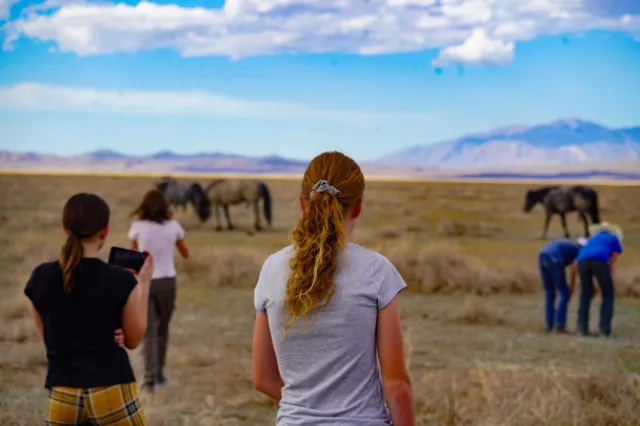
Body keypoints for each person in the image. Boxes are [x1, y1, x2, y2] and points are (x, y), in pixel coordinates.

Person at [251, 151, 415, 426]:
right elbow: (396, 386)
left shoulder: (272, 269)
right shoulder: (377, 270)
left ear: (303, 204)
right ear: (358, 207)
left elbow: (262, 379)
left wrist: (308, 409)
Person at [24, 193, 153, 425]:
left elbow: (49, 335)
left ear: (65, 228)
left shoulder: (40, 277)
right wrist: (144, 283)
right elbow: (133, 340)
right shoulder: (119, 280)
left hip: (62, 392)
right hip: (111, 391)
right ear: (105, 230)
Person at [128, 189, 189, 392]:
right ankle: (160, 372)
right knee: (163, 328)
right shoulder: (173, 226)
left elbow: (132, 256)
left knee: (149, 331)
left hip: (145, 281)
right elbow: (186, 253)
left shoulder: (138, 226)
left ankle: (149, 378)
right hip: (167, 281)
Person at [576, 222, 623, 337]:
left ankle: (582, 328)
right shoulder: (613, 238)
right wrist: (609, 275)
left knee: (585, 294)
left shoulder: (592, 238)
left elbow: (582, 250)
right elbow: (613, 257)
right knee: (608, 294)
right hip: (599, 261)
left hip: (582, 261)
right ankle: (604, 329)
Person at [538, 237, 587, 333]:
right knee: (564, 293)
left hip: (542, 255)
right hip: (554, 259)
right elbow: (574, 268)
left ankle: (549, 325)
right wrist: (572, 287)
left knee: (550, 293)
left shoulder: (569, 246)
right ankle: (560, 325)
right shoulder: (579, 251)